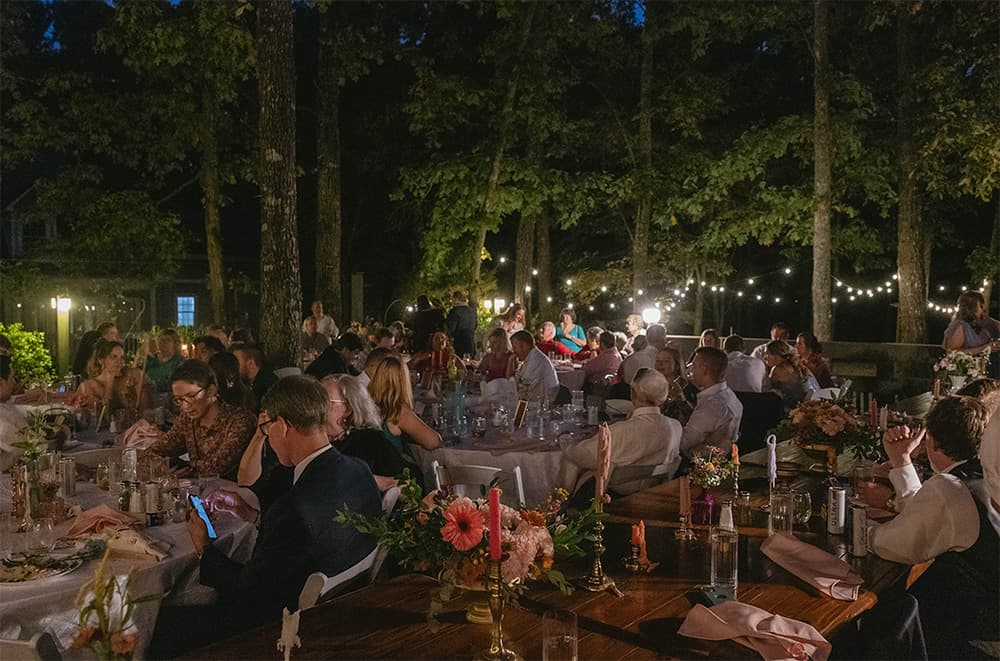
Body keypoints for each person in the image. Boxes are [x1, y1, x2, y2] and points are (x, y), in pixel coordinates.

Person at [188, 376, 380, 629]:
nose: (267, 438)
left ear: (282, 425)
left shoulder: (293, 509)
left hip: (282, 628)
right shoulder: (359, 470)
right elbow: (301, 542)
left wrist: (204, 548)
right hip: (352, 611)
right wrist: (252, 515)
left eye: (267, 428)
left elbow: (249, 591)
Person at [868, 396, 997, 657]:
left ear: (933, 441)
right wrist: (901, 461)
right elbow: (931, 515)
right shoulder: (983, 476)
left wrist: (859, 527)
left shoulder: (951, 488)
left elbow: (893, 545)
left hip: (976, 639)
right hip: (989, 625)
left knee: (884, 616)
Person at [558, 369, 682, 495]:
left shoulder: (619, 431)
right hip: (653, 495)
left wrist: (565, 440)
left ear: (633, 393)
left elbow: (582, 456)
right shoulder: (676, 427)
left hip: (614, 499)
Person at [147, 360, 256, 479]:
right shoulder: (188, 419)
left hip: (234, 494)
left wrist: (180, 466)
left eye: (191, 396)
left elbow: (217, 467)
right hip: (199, 493)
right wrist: (163, 469)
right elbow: (152, 452)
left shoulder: (239, 420)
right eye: (179, 399)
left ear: (211, 390)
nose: (185, 406)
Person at [322, 374, 408, 490]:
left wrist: (371, 481)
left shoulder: (369, 442)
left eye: (325, 402)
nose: (316, 407)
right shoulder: (314, 439)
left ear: (347, 409)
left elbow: (408, 482)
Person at [368, 353, 442, 452]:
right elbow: (434, 442)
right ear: (403, 381)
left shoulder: (366, 402)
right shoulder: (398, 411)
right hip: (391, 465)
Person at [680, 347, 743, 459]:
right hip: (722, 461)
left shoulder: (712, 406)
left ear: (704, 370)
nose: (691, 369)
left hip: (698, 466)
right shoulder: (729, 395)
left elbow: (684, 442)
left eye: (694, 366)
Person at [75, 339, 151, 414]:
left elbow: (144, 410)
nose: (119, 362)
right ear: (101, 360)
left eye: (121, 358)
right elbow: (102, 417)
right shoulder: (87, 386)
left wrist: (136, 390)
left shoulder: (128, 380)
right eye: (113, 357)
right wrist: (109, 383)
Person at [943, 290, 1000, 357]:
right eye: (980, 304)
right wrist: (984, 348)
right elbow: (952, 352)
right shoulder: (960, 325)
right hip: (968, 366)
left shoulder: (984, 320)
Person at [510, 330, 559, 405]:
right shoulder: (530, 358)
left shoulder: (536, 359)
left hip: (544, 403)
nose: (513, 351)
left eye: (515, 347)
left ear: (524, 346)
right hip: (535, 399)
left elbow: (523, 387)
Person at [763, 340, 810, 410]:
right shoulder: (794, 366)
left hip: (786, 410)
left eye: (767, 354)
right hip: (800, 408)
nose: (765, 357)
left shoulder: (777, 370)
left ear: (776, 355)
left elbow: (765, 391)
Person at [654, 346, 694, 425]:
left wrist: (681, 399)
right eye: (657, 361)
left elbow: (693, 417)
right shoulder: (653, 385)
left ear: (676, 365)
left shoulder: (686, 387)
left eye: (666, 361)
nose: (660, 364)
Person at [232, 343, 278, 411]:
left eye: (236, 362)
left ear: (251, 364)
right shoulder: (261, 381)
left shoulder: (264, 389)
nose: (233, 368)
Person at [146, 328, 185, 393]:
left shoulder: (179, 362)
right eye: (161, 340)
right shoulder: (151, 360)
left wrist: (151, 383)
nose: (164, 343)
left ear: (175, 344)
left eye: (168, 340)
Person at [445, 291, 477, 358]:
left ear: (456, 299)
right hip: (471, 342)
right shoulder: (472, 311)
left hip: (459, 343)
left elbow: (450, 328)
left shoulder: (454, 311)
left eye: (452, 300)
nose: (452, 302)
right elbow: (475, 326)